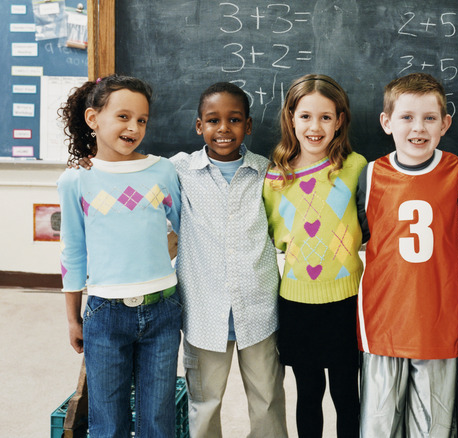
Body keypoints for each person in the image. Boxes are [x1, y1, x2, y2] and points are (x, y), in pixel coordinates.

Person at [57, 75, 182, 437]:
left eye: (142, 120)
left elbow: (185, 228)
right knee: (108, 423)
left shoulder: (162, 170)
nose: (134, 127)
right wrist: (72, 318)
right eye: (124, 117)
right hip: (105, 314)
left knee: (157, 422)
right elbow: (72, 252)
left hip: (162, 310)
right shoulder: (76, 180)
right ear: (94, 119)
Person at [172, 82, 288, 438]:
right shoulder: (179, 171)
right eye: (213, 120)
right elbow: (135, 169)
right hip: (204, 311)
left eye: (234, 120)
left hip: (259, 309)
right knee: (204, 404)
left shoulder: (268, 174)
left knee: (267, 400)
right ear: (198, 126)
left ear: (248, 126)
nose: (223, 129)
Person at [356, 72, 458, 437]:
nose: (418, 128)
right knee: (379, 424)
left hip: (437, 321)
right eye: (407, 117)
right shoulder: (370, 174)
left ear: (445, 124)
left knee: (433, 427)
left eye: (429, 118)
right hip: (383, 319)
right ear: (387, 122)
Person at [262, 74, 366, 438]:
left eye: (325, 117)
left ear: (340, 120)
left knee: (346, 394)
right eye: (305, 116)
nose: (315, 126)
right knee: (307, 393)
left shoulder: (356, 168)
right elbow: (277, 236)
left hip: (346, 300)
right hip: (297, 303)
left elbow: (367, 225)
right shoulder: (275, 179)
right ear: (291, 117)